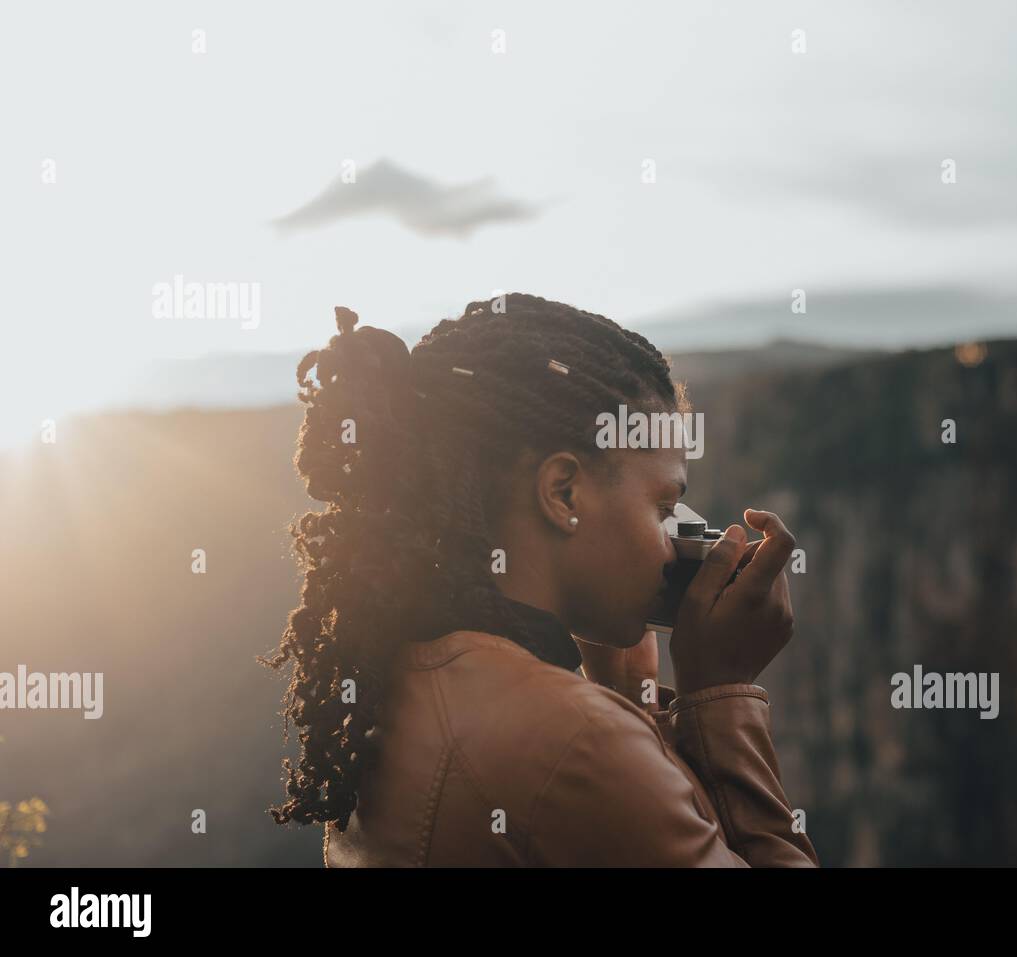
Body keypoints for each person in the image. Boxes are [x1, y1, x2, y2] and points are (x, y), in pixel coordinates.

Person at [259, 293, 818, 866]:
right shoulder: (580, 742)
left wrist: (627, 700)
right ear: (563, 493)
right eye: (663, 506)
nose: (678, 535)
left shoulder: (399, 674)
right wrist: (720, 693)